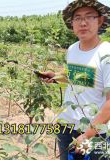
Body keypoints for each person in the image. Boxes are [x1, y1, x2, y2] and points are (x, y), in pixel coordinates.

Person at [41, 0, 110, 159]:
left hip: (94, 132)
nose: (83, 22)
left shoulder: (106, 53)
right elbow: (79, 78)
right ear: (72, 23)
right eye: (77, 18)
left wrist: (88, 135)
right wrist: (57, 77)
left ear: (99, 21)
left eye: (89, 17)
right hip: (66, 127)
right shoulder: (73, 49)